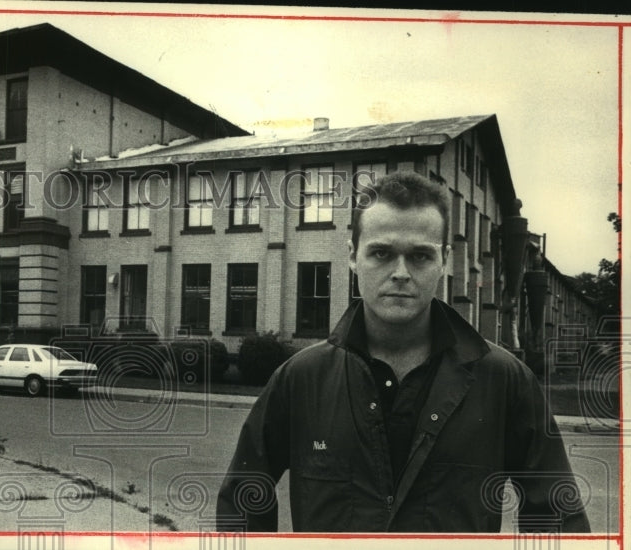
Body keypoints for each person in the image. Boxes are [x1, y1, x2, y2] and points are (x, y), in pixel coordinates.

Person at [215, 171, 590, 532]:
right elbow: (242, 503)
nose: (400, 272)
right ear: (352, 255)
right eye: (381, 253)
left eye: (420, 256)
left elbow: (557, 518)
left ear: (443, 259)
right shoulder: (300, 378)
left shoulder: (504, 380)